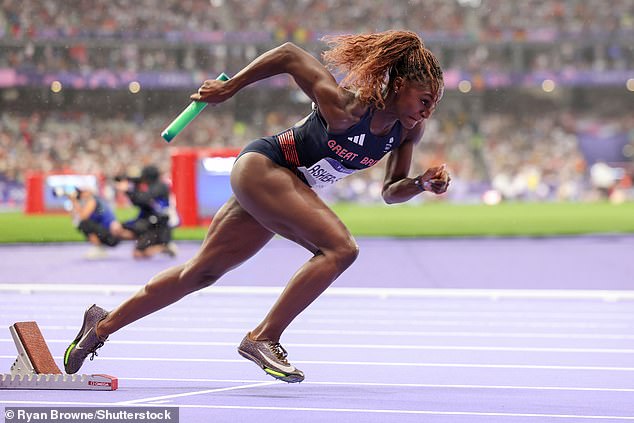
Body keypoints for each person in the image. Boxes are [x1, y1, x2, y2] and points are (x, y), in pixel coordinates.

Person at [63, 30, 450, 383]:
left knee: (200, 273)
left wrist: (420, 183)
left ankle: (100, 326)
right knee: (340, 249)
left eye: (434, 104)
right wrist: (230, 89)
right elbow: (288, 54)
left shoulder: (408, 130)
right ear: (398, 85)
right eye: (425, 99)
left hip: (282, 188)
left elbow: (390, 191)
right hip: (264, 168)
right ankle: (264, 337)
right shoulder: (347, 108)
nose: (428, 110)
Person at [115, 165, 178, 259]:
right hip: (151, 223)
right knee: (121, 229)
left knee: (138, 253)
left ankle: (163, 247)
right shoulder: (156, 186)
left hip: (159, 225)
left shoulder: (160, 186)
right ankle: (152, 243)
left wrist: (128, 190)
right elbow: (139, 202)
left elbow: (142, 199)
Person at [58, 186, 124, 259]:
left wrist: (74, 201)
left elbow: (82, 217)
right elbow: (75, 218)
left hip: (111, 235)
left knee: (84, 224)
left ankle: (98, 248)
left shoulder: (92, 200)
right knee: (82, 224)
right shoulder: (95, 200)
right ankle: (99, 248)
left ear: (90, 192)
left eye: (83, 192)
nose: (81, 194)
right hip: (110, 234)